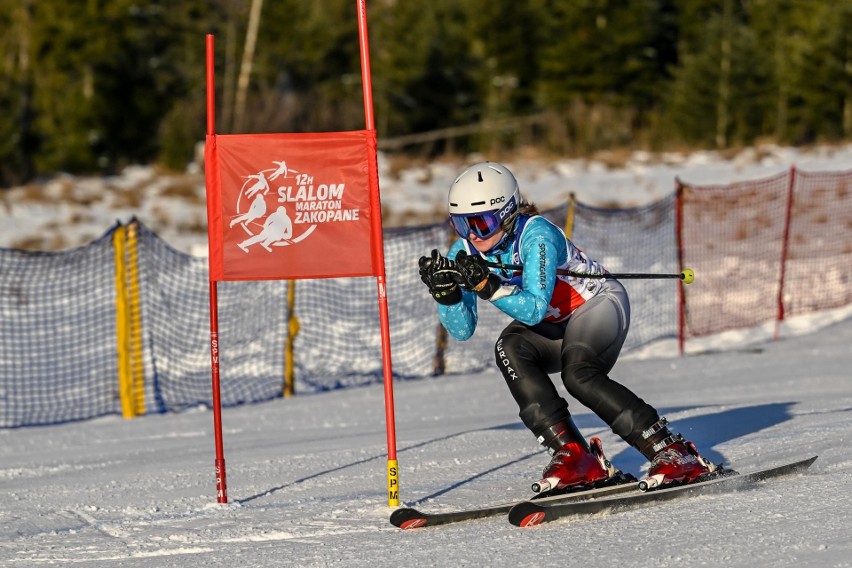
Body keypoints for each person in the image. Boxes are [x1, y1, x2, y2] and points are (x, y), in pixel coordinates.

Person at [418, 161, 716, 493]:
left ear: (506, 214)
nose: (472, 234)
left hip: (597, 305)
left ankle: (671, 451)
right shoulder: (465, 249)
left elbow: (532, 310)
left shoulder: (537, 235)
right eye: (461, 224)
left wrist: (489, 287)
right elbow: (462, 330)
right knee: (509, 348)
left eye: (481, 224)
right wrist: (446, 295)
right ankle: (575, 456)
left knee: (579, 374)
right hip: (556, 324)